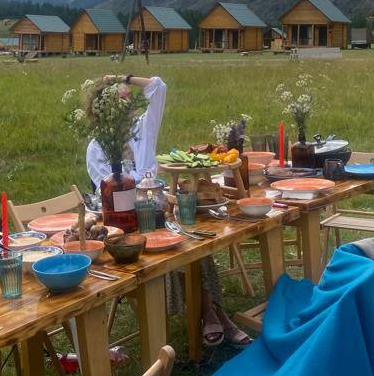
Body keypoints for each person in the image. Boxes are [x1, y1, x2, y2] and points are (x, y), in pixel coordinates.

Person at [84, 75, 251, 348]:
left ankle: (212, 312)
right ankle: (213, 313)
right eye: (122, 100)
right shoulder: (97, 148)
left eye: (130, 99)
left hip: (159, 213)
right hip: (124, 226)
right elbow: (113, 196)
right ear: (106, 109)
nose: (130, 105)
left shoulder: (142, 129)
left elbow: (158, 86)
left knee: (189, 240)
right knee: (174, 245)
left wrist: (121, 78)